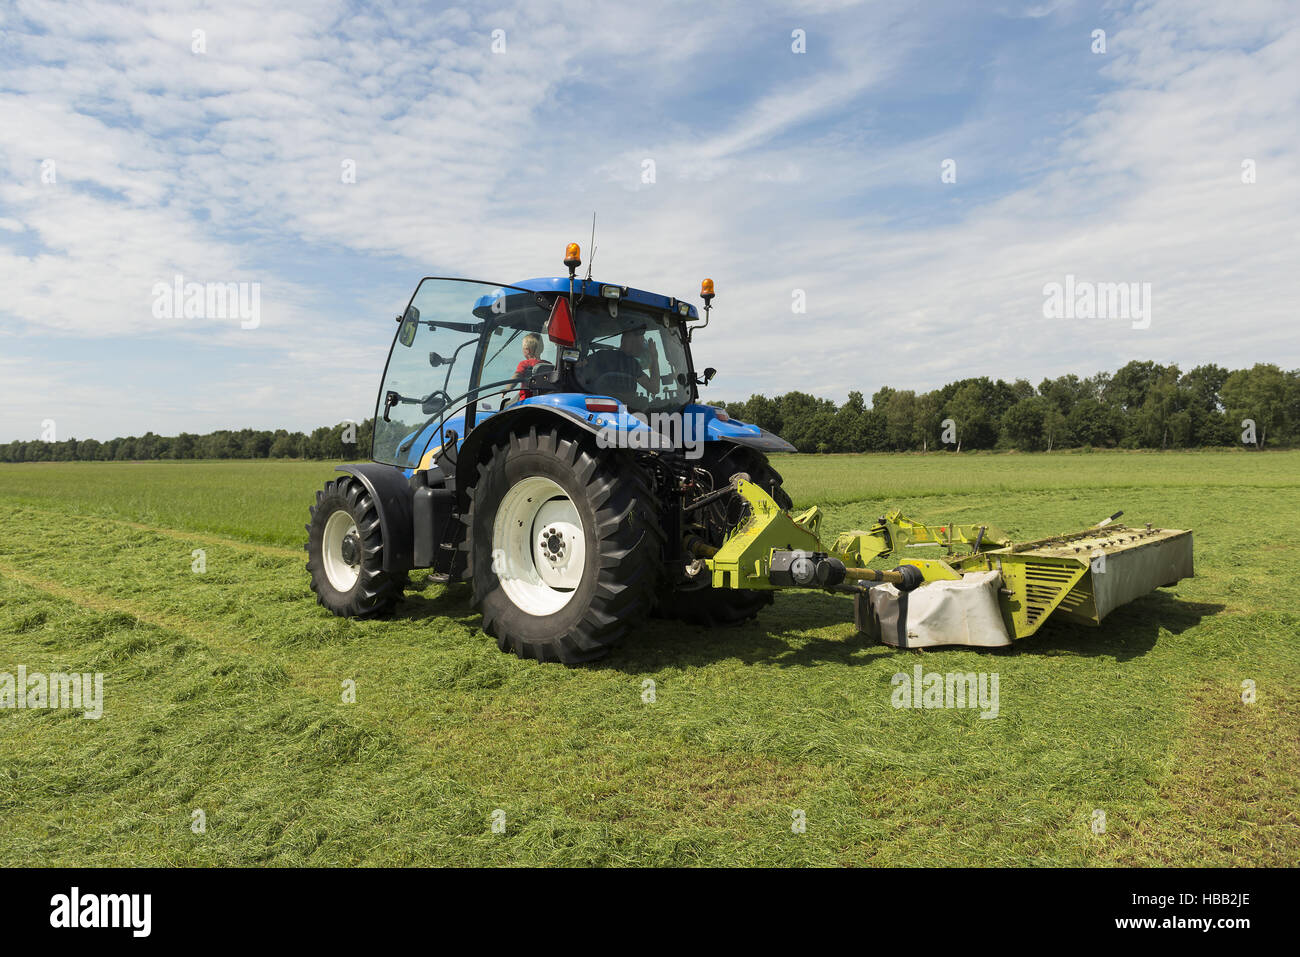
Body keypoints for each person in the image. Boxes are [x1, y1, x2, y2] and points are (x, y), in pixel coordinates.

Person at [514, 332, 544, 401]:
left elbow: (517, 376)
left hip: (526, 401)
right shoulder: (548, 364)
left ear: (527, 350)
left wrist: (507, 389)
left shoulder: (524, 364)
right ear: (542, 349)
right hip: (542, 401)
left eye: (523, 348)